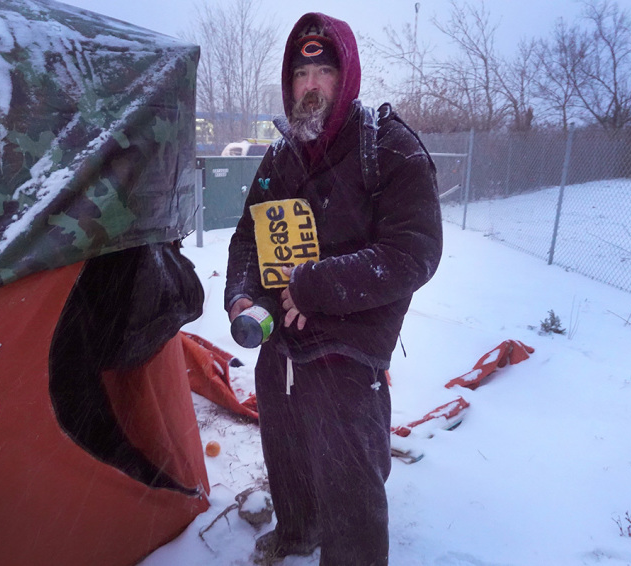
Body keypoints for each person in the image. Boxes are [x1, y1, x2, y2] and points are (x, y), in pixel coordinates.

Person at [224, 12, 443, 566]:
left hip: (348, 345)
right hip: (281, 341)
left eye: (324, 72)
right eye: (301, 74)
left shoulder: (388, 148)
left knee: (349, 479)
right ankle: (297, 531)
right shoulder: (278, 157)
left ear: (347, 78)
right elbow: (248, 236)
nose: (311, 86)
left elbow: (413, 252)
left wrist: (316, 285)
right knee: (287, 449)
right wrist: (244, 295)